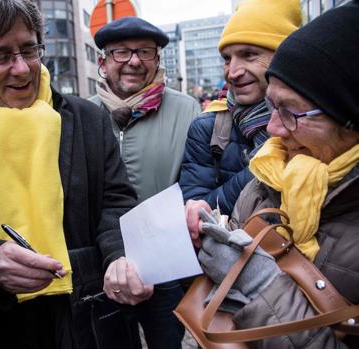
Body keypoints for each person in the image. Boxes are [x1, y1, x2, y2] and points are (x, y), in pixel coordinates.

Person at [0, 1, 152, 348]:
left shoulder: (88, 119)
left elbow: (116, 202)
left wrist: (119, 256)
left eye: (29, 49)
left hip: (91, 324)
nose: (22, 68)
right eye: (0, 56)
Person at [197, 2, 359, 347]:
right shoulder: (265, 182)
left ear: (349, 118)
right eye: (271, 107)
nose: (274, 129)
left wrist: (261, 286)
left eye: (290, 112)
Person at [89, 16, 200, 349]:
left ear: (157, 60)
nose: (134, 61)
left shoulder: (187, 109)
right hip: (103, 267)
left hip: (167, 268)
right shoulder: (85, 115)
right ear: (103, 63)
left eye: (145, 52)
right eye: (121, 52)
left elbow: (197, 182)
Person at [179, 0, 301, 247]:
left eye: (249, 55)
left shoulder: (322, 124)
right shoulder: (208, 127)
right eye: (226, 58)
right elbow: (196, 218)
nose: (232, 72)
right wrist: (268, 162)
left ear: (285, 56)